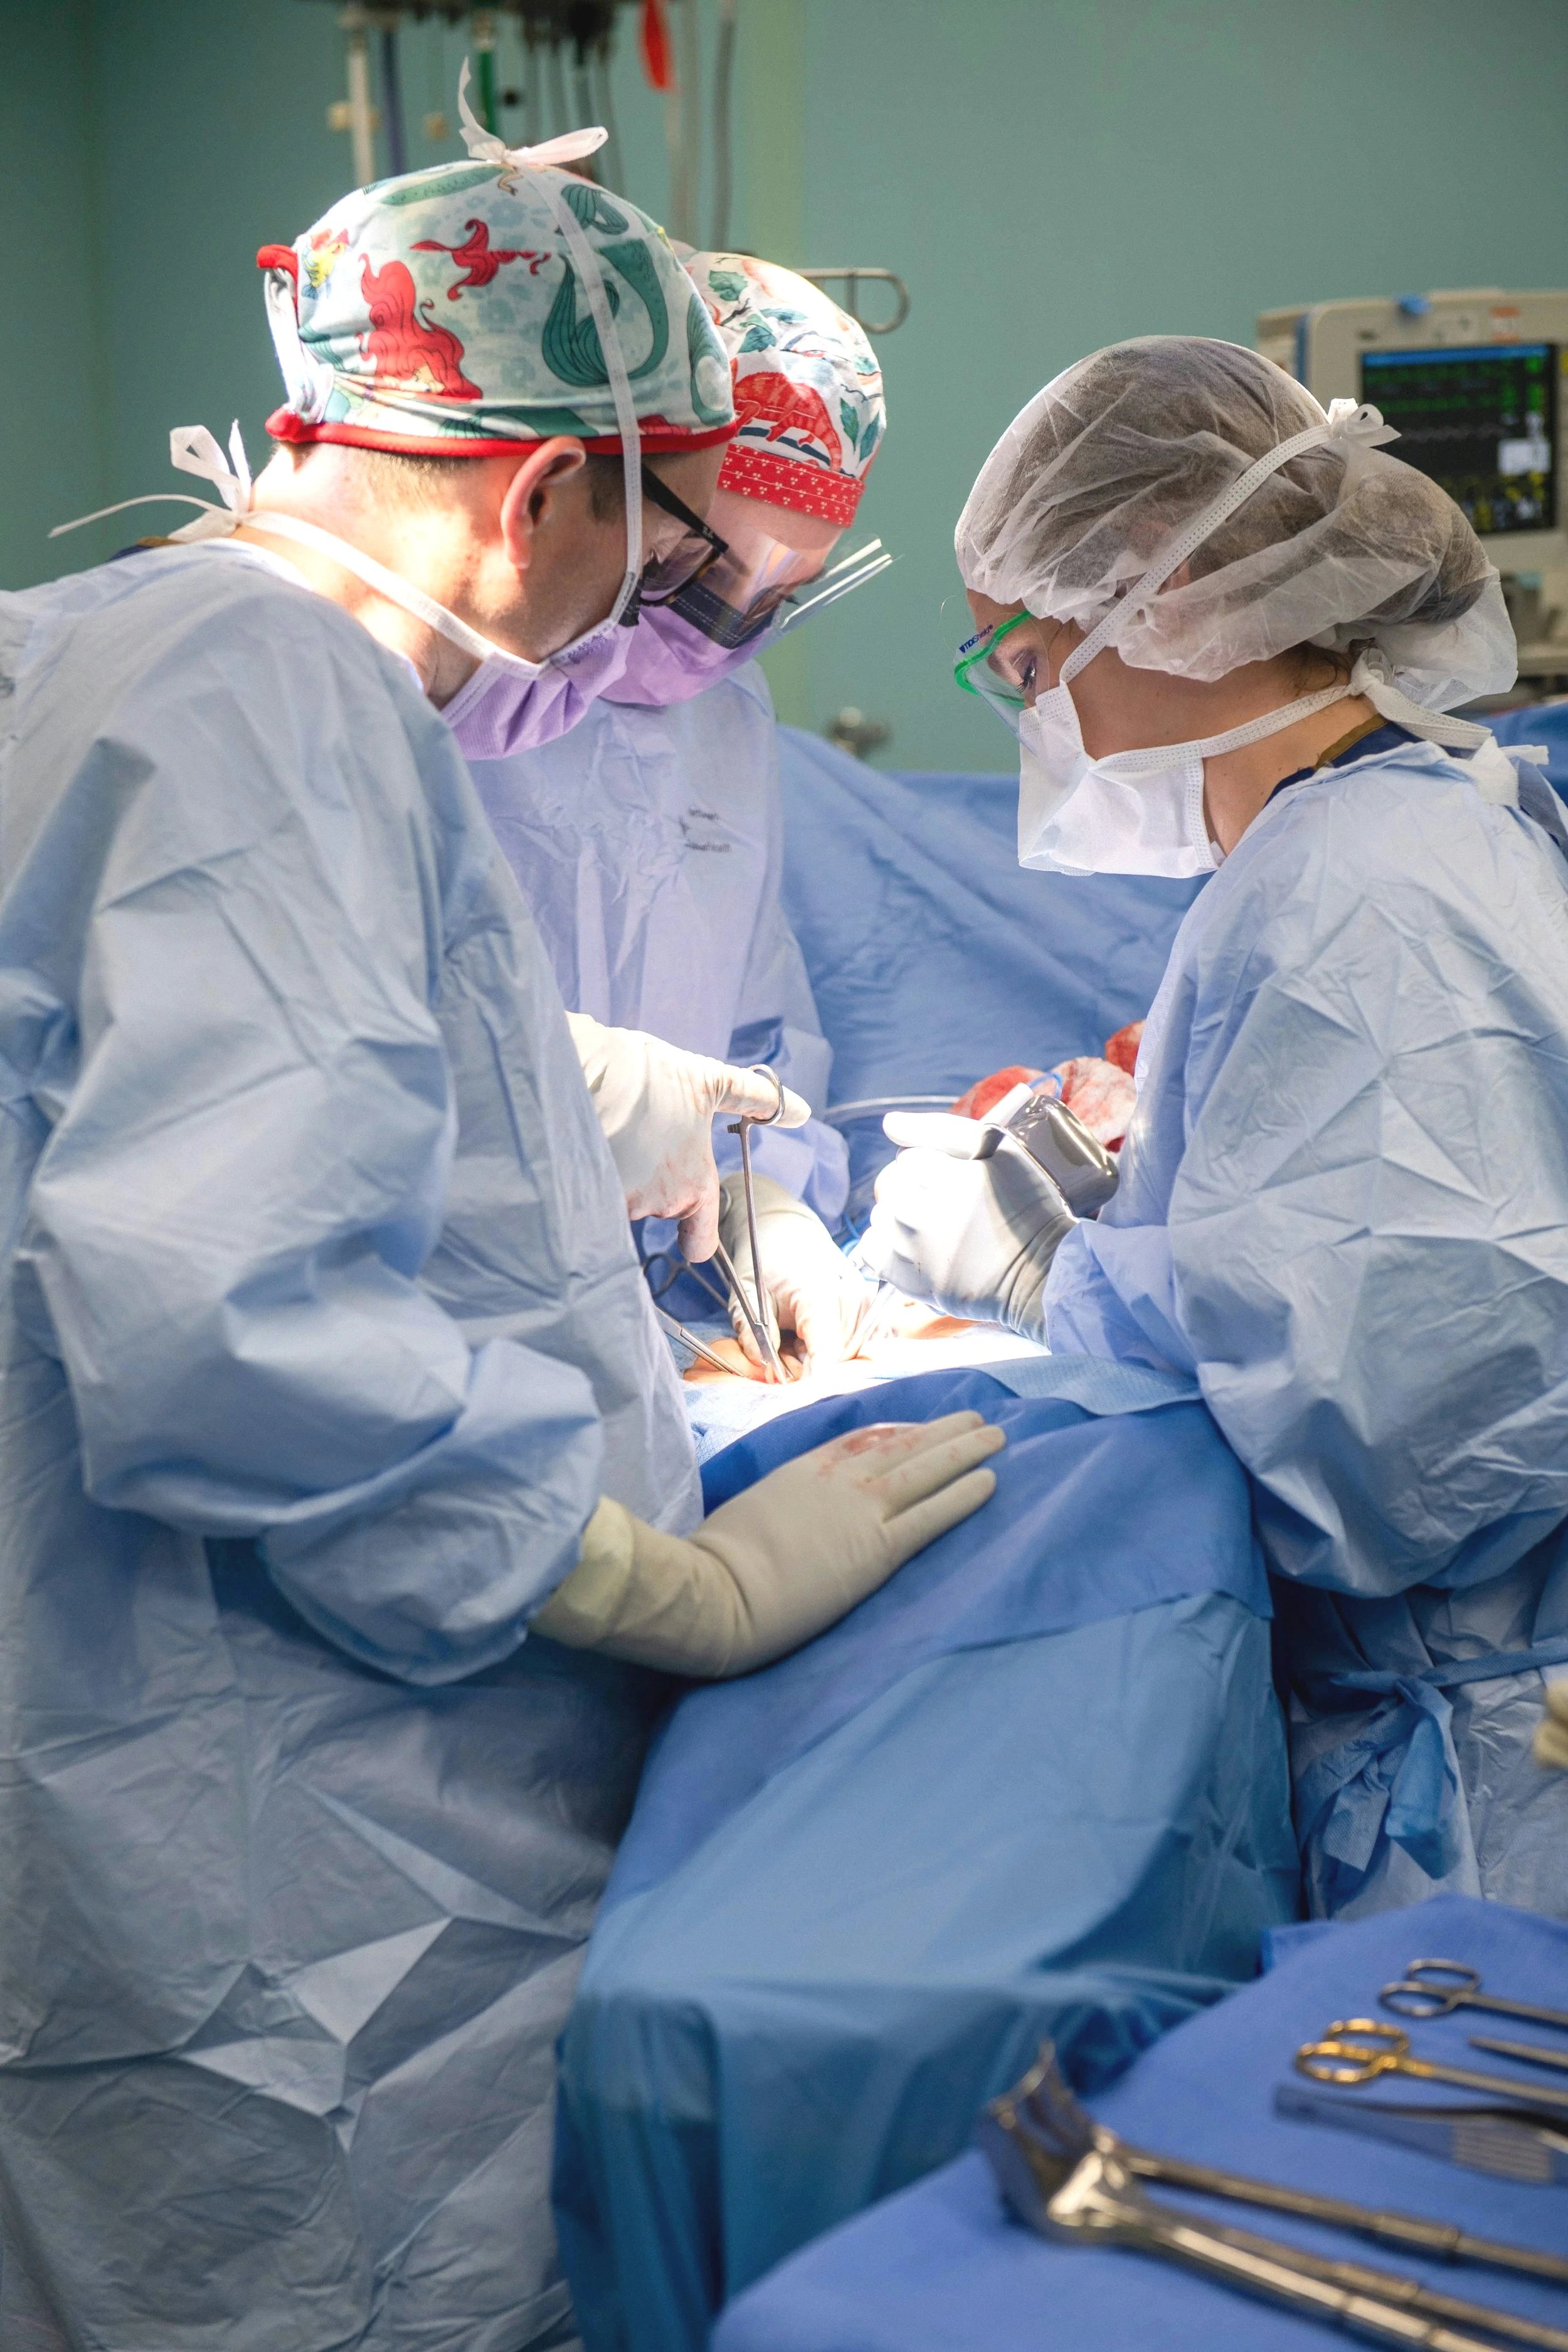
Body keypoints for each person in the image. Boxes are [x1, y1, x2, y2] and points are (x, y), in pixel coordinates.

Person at [0, 124, 1004, 2352]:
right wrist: (654, 1575)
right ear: (545, 490)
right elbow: (221, 1325)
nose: (653, 633)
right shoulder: (278, 694)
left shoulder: (76, 647)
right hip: (304, 1858)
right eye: (661, 558)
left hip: (129, 1750)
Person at [864, 336, 1568, 1919]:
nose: (1033, 719)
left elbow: (1397, 1447)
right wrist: (1149, 1189)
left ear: (1161, 594)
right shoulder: (1410, 818)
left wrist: (1049, 1271)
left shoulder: (1352, 890)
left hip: (1485, 1794)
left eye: (1027, 667)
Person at [456, 253, 887, 1375]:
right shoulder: (447, 690)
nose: (725, 624)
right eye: (697, 568)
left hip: (646, 1315)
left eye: (778, 596)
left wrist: (762, 1204)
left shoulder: (729, 717)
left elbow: (753, 1036)